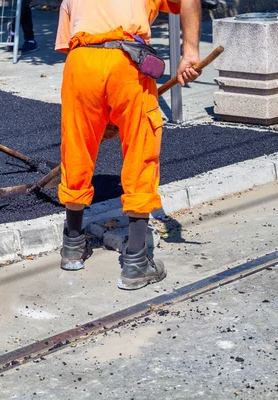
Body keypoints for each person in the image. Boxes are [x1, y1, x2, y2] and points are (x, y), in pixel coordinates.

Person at [55, 0, 201, 290]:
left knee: (77, 148)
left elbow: (70, 44)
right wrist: (190, 52)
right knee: (140, 151)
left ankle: (72, 246)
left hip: (81, 64)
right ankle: (136, 261)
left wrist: (100, 112)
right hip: (128, 64)